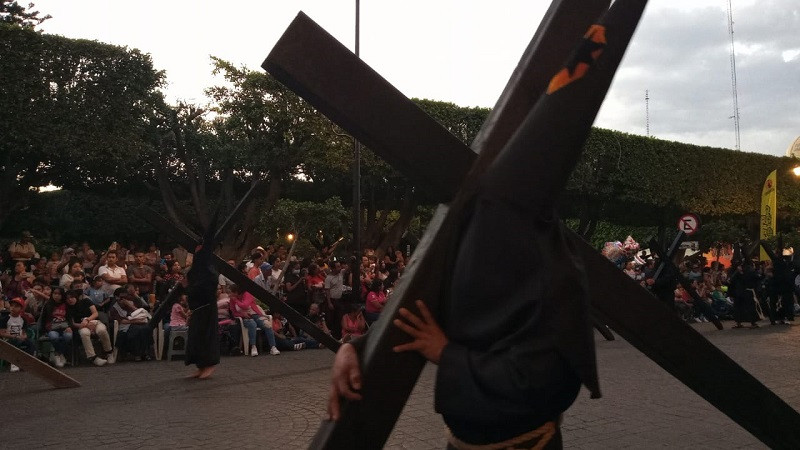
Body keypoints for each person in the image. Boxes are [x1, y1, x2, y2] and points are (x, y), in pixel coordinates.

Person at [327, 193, 600, 448]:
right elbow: (424, 312)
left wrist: (447, 355)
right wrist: (355, 348)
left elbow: (545, 381)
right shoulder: (488, 251)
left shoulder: (555, 274)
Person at [65, 289, 114, 366]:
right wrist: (85, 325)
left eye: (72, 297)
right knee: (84, 333)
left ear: (76, 297)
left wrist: (87, 320)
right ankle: (93, 357)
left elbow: (95, 313)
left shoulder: (86, 301)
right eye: (67, 298)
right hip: (81, 325)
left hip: (94, 322)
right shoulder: (68, 309)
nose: (70, 300)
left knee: (101, 330)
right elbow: (73, 323)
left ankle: (109, 352)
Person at [229, 284, 280, 357]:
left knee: (267, 324)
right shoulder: (232, 300)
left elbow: (245, 305)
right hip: (245, 318)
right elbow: (234, 312)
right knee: (252, 324)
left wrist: (236, 300)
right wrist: (242, 314)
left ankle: (273, 347)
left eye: (231, 292)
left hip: (255, 314)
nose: (230, 294)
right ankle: (253, 346)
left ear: (236, 292)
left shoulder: (247, 294)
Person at [110, 293, 153, 361]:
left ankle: (145, 353)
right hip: (125, 325)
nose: (123, 300)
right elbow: (122, 321)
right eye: (121, 298)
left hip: (137, 323)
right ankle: (137, 354)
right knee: (136, 330)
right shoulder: (114, 308)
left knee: (146, 328)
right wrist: (136, 321)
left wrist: (129, 305)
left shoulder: (129, 304)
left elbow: (140, 312)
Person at [0, 297, 35, 372]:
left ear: (21, 308)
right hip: (8, 340)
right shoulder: (5, 319)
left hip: (19, 338)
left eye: (16, 306)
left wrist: (23, 336)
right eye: (12, 306)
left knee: (30, 343)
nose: (13, 308)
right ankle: (14, 362)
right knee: (16, 341)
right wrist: (15, 336)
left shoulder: (23, 319)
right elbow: (2, 333)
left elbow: (24, 333)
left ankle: (26, 362)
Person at [40, 287, 71, 368]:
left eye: (59, 294)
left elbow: (69, 318)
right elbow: (43, 319)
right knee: (54, 337)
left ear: (62, 295)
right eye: (55, 294)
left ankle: (58, 353)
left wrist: (69, 326)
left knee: (68, 336)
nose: (56, 296)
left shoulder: (66, 305)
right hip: (52, 328)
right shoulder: (48, 304)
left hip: (64, 327)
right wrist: (44, 330)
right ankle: (59, 355)